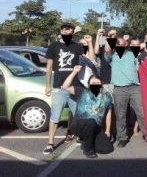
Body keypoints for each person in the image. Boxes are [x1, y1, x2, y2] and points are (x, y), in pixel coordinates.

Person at [43, 21, 83, 154]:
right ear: (61, 31)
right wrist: (48, 85)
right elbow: (49, 67)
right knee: (55, 116)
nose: (67, 31)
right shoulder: (53, 46)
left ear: (72, 32)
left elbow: (85, 61)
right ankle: (50, 143)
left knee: (79, 114)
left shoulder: (77, 47)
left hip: (74, 86)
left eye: (70, 29)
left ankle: (80, 137)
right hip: (58, 87)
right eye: (65, 29)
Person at [62, 65, 113, 158]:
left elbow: (108, 113)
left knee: (107, 148)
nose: (95, 84)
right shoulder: (81, 92)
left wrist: (108, 130)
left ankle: (85, 141)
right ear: (89, 84)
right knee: (90, 122)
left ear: (101, 84)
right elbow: (65, 86)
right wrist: (74, 72)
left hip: (95, 127)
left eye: (97, 82)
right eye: (92, 82)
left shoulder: (106, 97)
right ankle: (88, 150)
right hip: (78, 125)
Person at [104, 38, 146, 148]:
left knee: (141, 112)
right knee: (120, 114)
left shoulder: (133, 54)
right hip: (119, 89)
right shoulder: (112, 56)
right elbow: (107, 49)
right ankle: (122, 138)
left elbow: (140, 67)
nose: (120, 45)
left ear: (126, 44)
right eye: (117, 44)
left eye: (122, 44)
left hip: (135, 88)